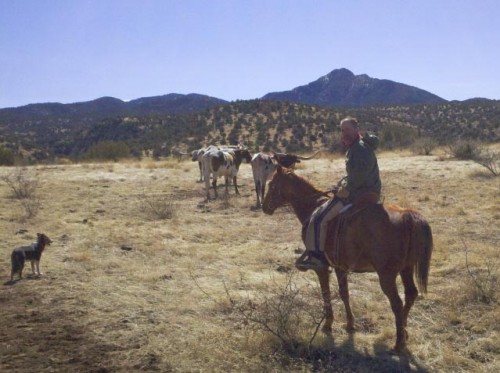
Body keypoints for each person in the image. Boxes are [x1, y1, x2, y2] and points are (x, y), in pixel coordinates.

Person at [296, 116, 381, 271]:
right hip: (368, 190)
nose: (344, 133)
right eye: (342, 130)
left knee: (318, 218)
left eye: (347, 129)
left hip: (359, 193)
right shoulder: (359, 146)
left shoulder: (359, 148)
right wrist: (342, 182)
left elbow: (360, 175)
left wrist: (345, 189)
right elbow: (355, 174)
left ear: (357, 129)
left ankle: (317, 258)